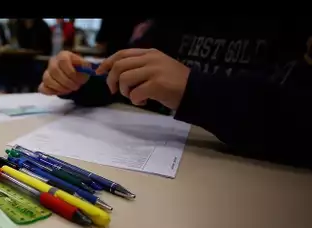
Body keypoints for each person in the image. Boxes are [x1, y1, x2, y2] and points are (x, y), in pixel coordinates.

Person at [38, 17, 312, 166]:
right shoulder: (169, 25)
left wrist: (191, 88)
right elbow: (122, 79)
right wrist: (79, 79)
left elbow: (298, 118)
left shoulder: (292, 33)